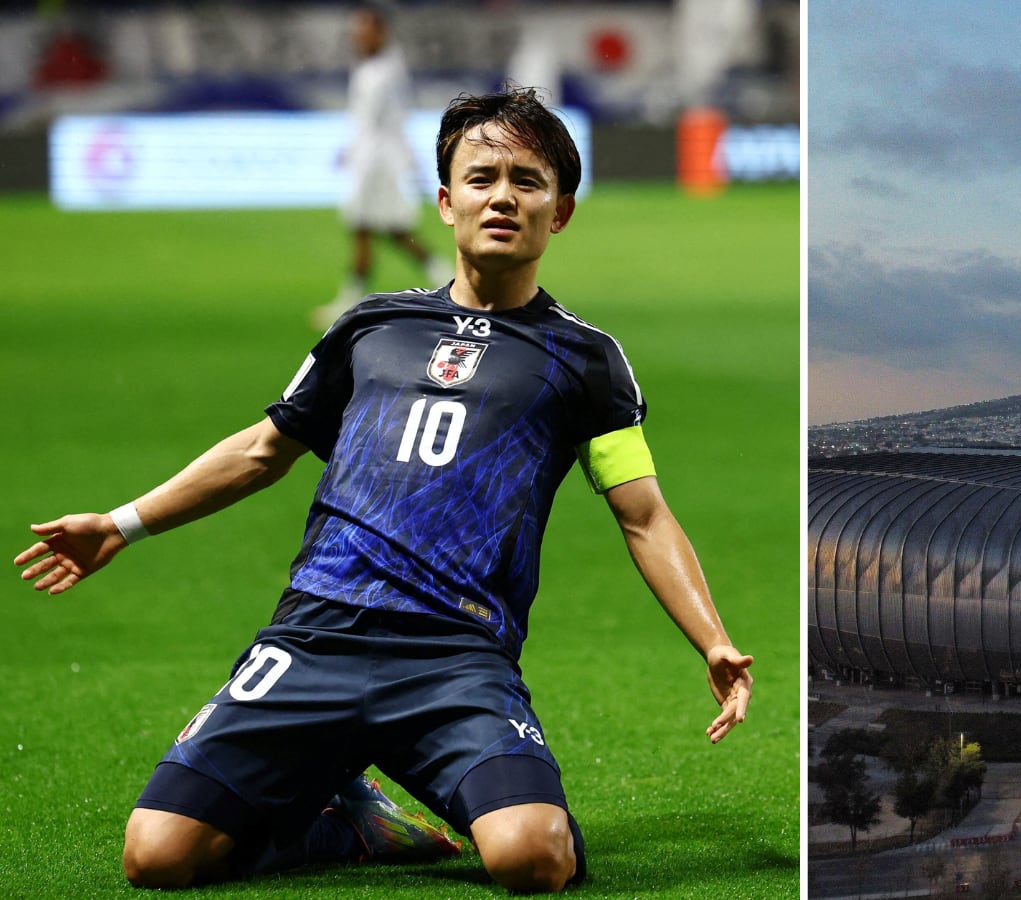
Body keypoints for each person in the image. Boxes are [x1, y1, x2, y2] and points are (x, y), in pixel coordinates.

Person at [14, 86, 754, 893]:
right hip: (312, 639)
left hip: (454, 657)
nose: (502, 195)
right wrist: (121, 526)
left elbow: (642, 514)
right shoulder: (370, 326)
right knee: (156, 857)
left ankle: (479, 801)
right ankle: (338, 821)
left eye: (527, 180)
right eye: (481, 177)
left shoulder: (587, 361)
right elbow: (265, 450)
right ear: (445, 201)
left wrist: (712, 640)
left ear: (561, 211)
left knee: (531, 858)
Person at [312, 2, 451, 329]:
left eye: (364, 30)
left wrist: (365, 154)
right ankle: (445, 277)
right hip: (372, 160)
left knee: (369, 228)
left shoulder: (382, 72)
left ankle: (349, 302)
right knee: (386, 231)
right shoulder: (377, 67)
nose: (357, 37)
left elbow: (384, 122)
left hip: (376, 163)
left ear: (380, 32)